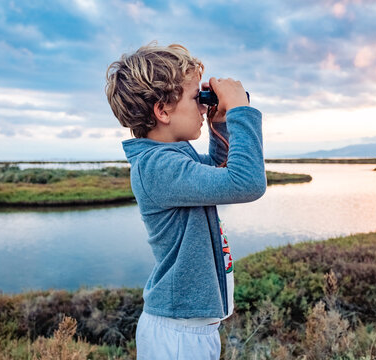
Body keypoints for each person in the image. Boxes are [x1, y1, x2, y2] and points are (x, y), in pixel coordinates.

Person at [105, 43, 266, 359]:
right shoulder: (158, 166)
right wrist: (240, 111)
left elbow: (221, 172)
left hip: (188, 329)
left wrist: (220, 124)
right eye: (197, 98)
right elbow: (246, 183)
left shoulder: (171, 159)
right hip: (178, 336)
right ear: (162, 111)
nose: (203, 107)